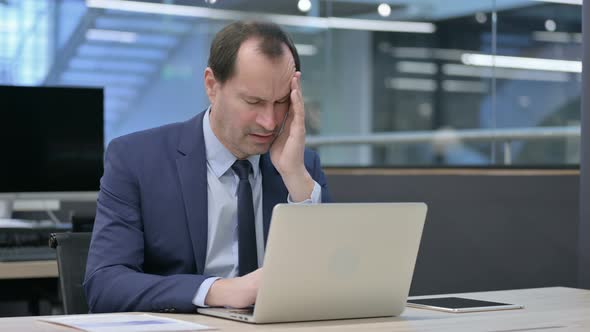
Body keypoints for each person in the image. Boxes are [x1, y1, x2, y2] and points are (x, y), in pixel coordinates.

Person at [83, 21, 331, 313]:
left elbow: (328, 279)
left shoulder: (302, 166)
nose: (270, 122)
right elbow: (105, 284)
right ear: (212, 86)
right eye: (254, 101)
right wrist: (218, 290)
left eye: (280, 102)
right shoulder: (136, 159)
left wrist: (295, 177)